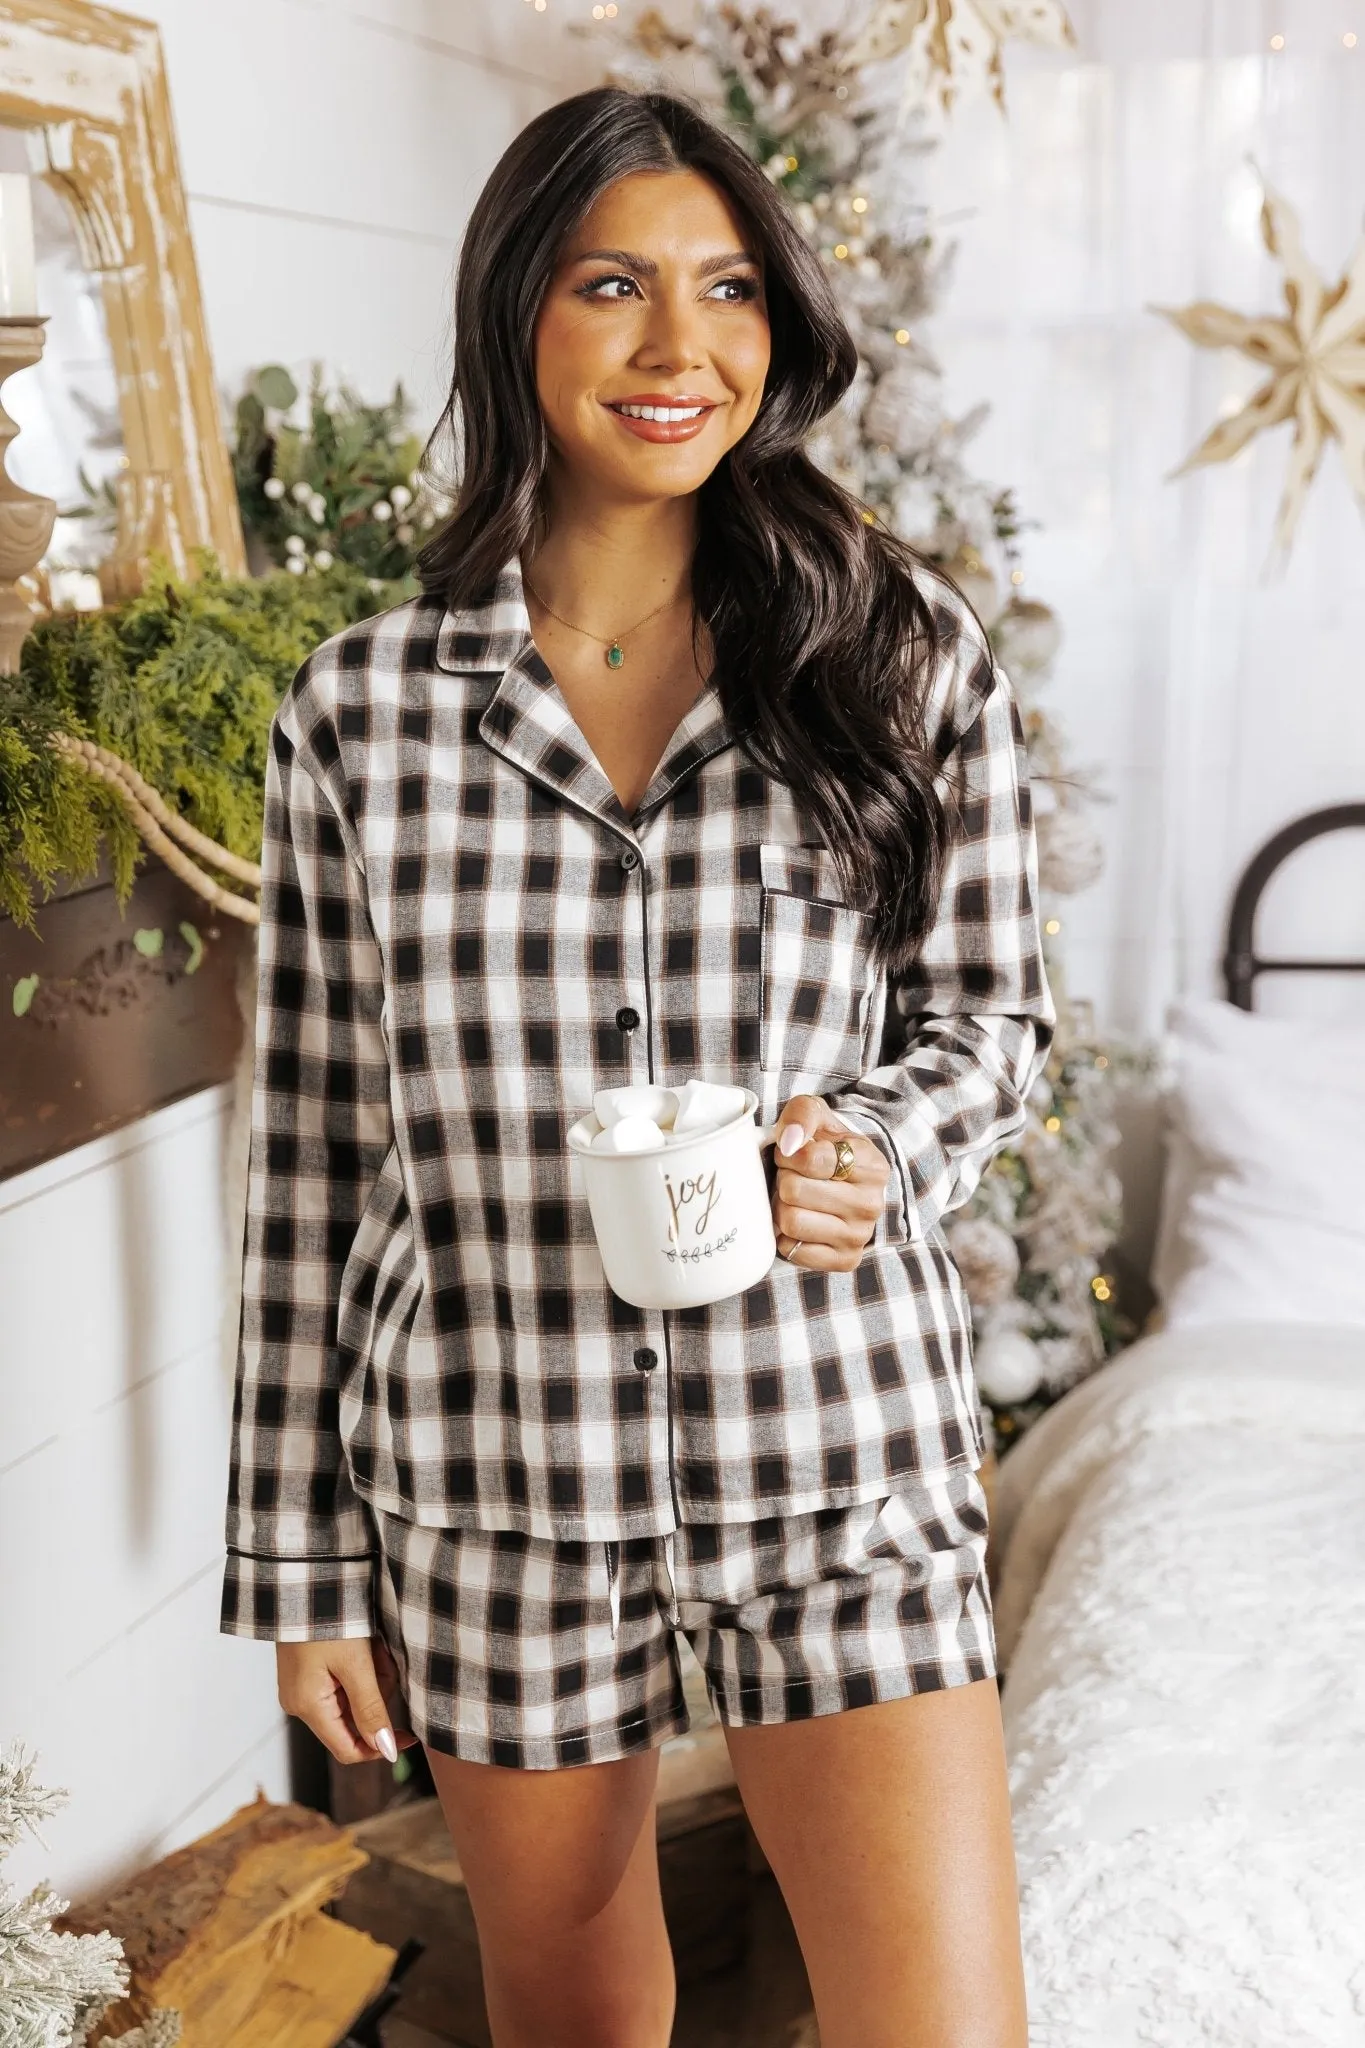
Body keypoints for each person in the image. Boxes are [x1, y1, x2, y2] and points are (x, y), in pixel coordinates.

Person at [221, 85, 1054, 2048]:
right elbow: (317, 1156)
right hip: (499, 1475)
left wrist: (877, 1141)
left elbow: (995, 1026)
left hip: (838, 1459)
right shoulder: (363, 710)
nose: (681, 351)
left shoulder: (897, 650)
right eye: (613, 287)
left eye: (728, 293)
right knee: (577, 2025)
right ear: (519, 312)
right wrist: (303, 1565)